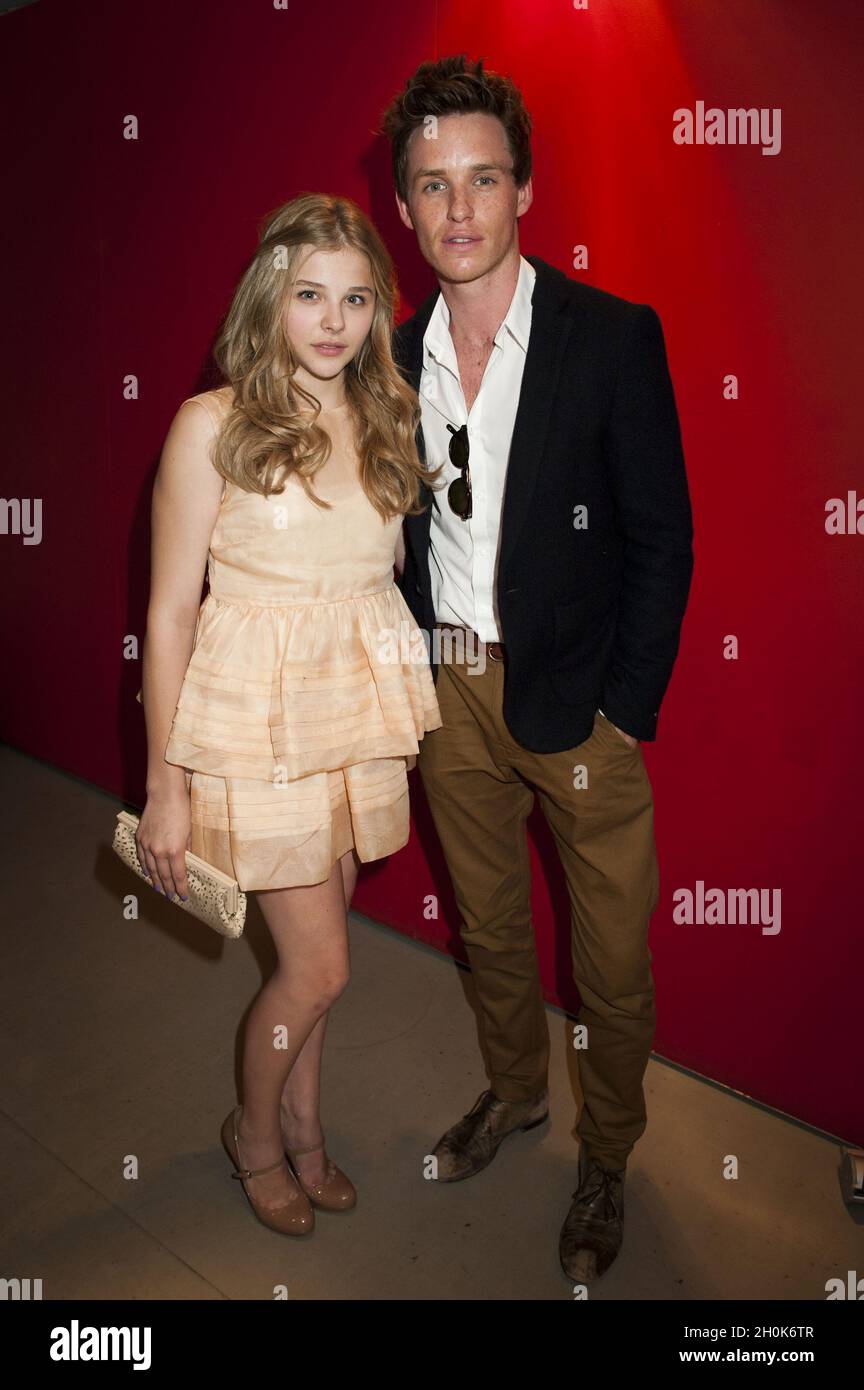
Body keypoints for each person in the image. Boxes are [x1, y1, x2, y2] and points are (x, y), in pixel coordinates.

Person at [382, 55, 694, 1282]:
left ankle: (607, 1153)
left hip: (577, 705)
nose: (458, 209)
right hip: (448, 696)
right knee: (492, 929)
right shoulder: (385, 360)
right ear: (404, 208)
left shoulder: (611, 337)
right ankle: (515, 1095)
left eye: (482, 180)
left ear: (523, 192)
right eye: (431, 186)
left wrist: (624, 707)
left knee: (610, 958)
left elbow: (663, 535)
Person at [136, 193, 444, 1236]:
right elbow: (171, 614)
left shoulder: (386, 417)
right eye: (309, 293)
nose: (333, 320)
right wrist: (164, 788)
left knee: (314, 970)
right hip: (253, 735)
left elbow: (372, 578)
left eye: (356, 299)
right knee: (319, 965)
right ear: (270, 295)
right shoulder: (211, 424)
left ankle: (307, 1133)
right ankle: (255, 1137)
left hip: (348, 726)